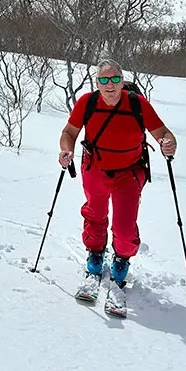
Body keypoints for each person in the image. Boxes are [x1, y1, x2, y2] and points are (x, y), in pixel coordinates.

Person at [58, 59, 177, 298]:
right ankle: (95, 254)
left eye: (114, 79)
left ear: (122, 81)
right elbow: (69, 132)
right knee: (95, 213)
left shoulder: (137, 104)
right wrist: (67, 150)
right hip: (95, 168)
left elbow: (163, 133)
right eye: (104, 79)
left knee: (124, 227)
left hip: (129, 172)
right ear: (97, 83)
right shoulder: (87, 103)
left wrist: (168, 143)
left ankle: (121, 260)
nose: (109, 84)